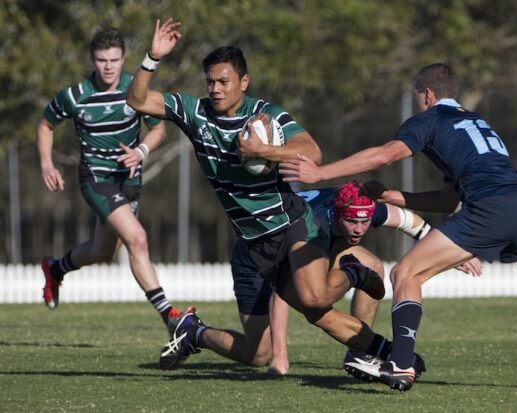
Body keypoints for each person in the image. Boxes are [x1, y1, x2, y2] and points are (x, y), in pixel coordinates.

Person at [279, 63, 517, 393]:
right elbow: (446, 201)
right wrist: (388, 196)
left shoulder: (430, 119)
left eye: (417, 97)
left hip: (492, 207)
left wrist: (320, 174)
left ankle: (400, 364)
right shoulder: (476, 123)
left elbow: (385, 155)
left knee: (405, 274)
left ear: (427, 95)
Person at [127, 19, 398, 371]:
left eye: (224, 81)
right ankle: (193, 332)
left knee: (316, 303)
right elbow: (136, 99)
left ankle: (385, 338)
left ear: (244, 82)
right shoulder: (195, 113)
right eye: (210, 82)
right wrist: (152, 57)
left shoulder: (266, 115)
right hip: (252, 248)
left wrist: (261, 151)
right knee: (257, 355)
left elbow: (311, 152)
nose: (216, 89)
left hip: (292, 227)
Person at [37, 26, 193, 334]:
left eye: (114, 60)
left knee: (102, 252)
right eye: (101, 60)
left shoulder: (134, 90)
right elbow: (45, 125)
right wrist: (46, 164)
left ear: (123, 59)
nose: (108, 67)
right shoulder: (75, 96)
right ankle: (171, 317)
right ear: (92, 60)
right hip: (96, 180)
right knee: (138, 238)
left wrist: (141, 150)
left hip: (129, 182)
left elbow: (159, 129)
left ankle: (55, 269)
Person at [267, 181, 482, 375]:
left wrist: (449, 249)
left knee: (373, 267)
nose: (359, 229)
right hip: (274, 255)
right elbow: (281, 288)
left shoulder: (361, 206)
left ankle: (359, 354)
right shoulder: (312, 224)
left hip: (329, 238)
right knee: (302, 309)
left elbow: (408, 220)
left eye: (365, 222)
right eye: (352, 221)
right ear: (339, 213)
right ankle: (278, 355)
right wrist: (279, 357)